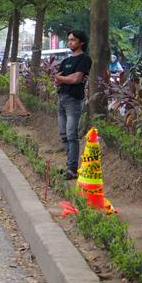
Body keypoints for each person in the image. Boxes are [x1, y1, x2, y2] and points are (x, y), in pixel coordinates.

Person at [52, 29, 92, 179]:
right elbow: (57, 80)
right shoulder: (66, 61)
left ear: (82, 42)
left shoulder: (84, 59)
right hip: (61, 98)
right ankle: (70, 165)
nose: (70, 42)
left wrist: (61, 78)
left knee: (71, 134)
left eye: (73, 40)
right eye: (69, 40)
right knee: (63, 134)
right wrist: (60, 79)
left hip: (74, 100)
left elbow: (76, 79)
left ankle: (72, 169)